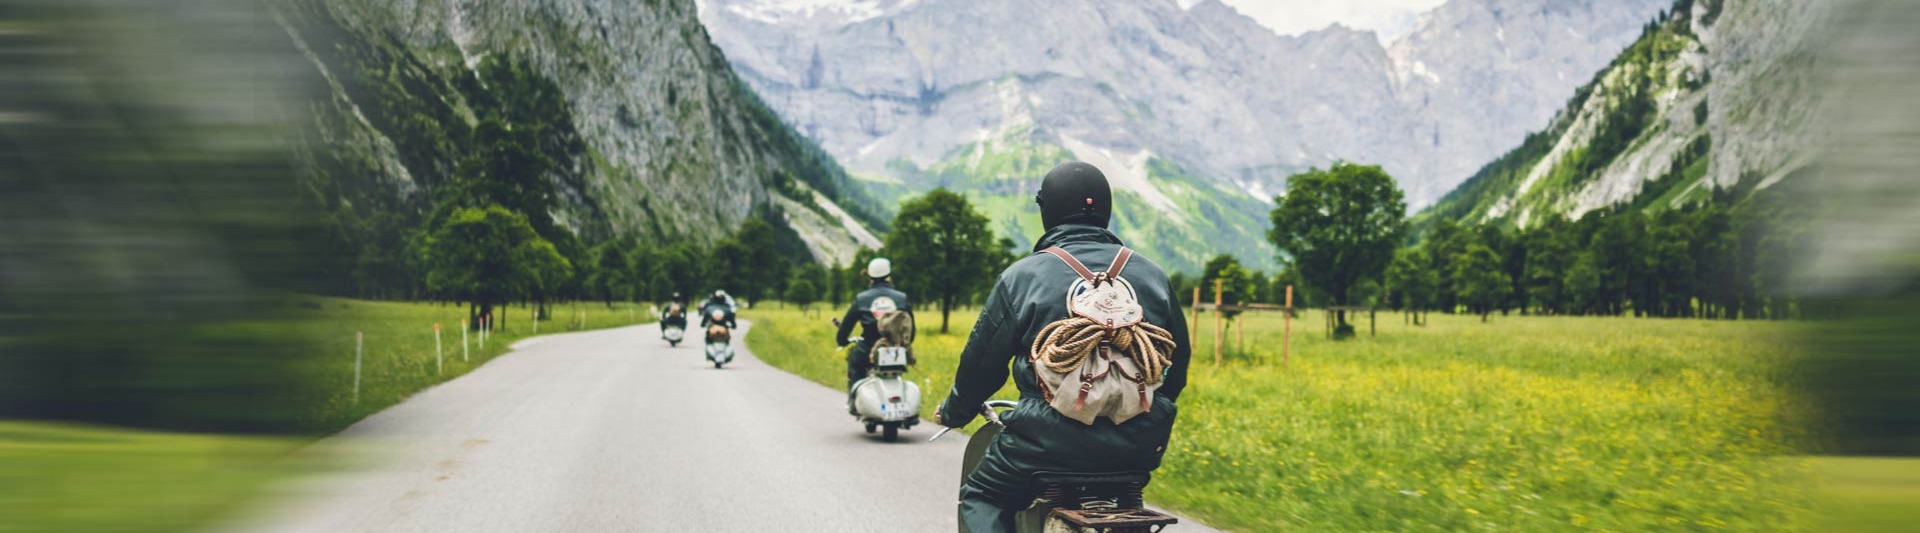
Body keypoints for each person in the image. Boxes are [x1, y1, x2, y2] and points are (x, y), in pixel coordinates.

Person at [932, 162, 1192, 532]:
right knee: (1126, 495)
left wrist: (956, 412)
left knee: (982, 495)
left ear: (1047, 211)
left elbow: (980, 367)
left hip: (1044, 443)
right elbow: (1176, 365)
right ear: (1106, 209)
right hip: (1137, 445)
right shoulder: (1152, 275)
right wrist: (1146, 414)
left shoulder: (1022, 277)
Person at [835, 257, 913, 390]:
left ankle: (853, 400)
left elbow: (847, 326)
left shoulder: (862, 298)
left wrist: (842, 340)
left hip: (868, 349)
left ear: (870, 277)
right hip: (896, 351)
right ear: (889, 276)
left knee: (855, 364)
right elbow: (911, 329)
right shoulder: (901, 298)